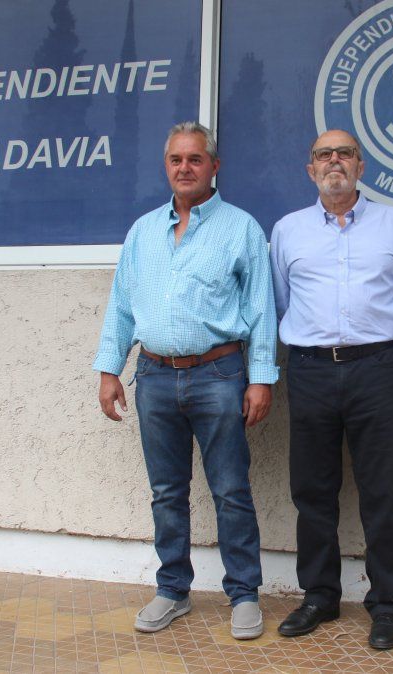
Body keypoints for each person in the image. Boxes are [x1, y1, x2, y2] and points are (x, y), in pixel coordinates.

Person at [93, 121, 277, 641]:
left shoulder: (241, 228)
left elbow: (262, 310)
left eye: (196, 159)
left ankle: (244, 594)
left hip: (219, 375)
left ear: (214, 166)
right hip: (153, 376)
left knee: (231, 490)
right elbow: (121, 305)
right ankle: (172, 589)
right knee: (166, 492)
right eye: (176, 159)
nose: (185, 168)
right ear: (166, 166)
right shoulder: (143, 231)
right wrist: (109, 370)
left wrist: (261, 379)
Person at [269, 129, 393, 650]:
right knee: (312, 490)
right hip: (310, 371)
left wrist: (379, 351)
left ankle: (386, 603)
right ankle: (319, 596)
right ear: (311, 169)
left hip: (375, 370)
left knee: (381, 491)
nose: (335, 161)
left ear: (361, 166)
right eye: (324, 155)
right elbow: (281, 303)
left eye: (345, 153)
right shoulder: (287, 230)